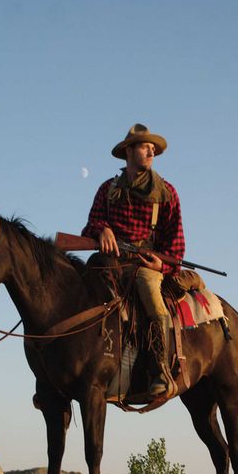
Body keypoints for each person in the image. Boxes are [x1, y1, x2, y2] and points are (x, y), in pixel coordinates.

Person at [81, 123, 185, 397]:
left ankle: (159, 367)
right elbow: (91, 224)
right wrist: (102, 229)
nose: (151, 151)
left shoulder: (166, 193)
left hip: (145, 266)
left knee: (150, 292)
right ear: (129, 151)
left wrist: (161, 266)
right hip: (111, 262)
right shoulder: (107, 189)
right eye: (144, 146)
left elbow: (176, 244)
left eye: (153, 148)